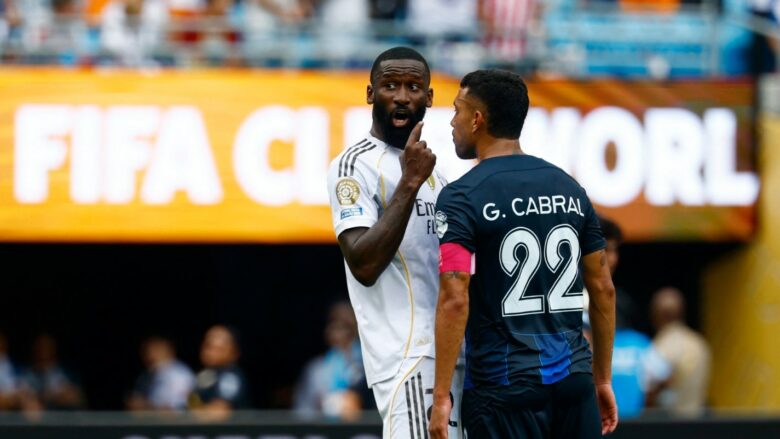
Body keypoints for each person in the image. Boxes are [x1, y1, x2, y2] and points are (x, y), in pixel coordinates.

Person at [429, 69, 618, 439]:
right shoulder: (570, 188)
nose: (452, 121)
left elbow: (455, 296)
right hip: (574, 383)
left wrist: (440, 398)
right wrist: (602, 379)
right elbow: (603, 287)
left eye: (456, 110)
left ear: (477, 119)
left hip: (502, 388)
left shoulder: (461, 197)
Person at [326, 46, 463, 438]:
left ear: (429, 98)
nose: (402, 96)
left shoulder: (438, 173)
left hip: (452, 355)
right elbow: (363, 264)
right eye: (390, 85)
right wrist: (409, 182)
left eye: (413, 87)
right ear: (370, 93)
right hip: (409, 356)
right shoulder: (354, 165)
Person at [293, 301, 368, 420]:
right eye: (335, 325)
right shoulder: (315, 370)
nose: (341, 332)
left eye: (346, 326)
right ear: (327, 330)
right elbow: (302, 412)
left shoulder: (368, 366)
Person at [648, 287, 711, 416]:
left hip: (668, 423)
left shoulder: (661, 346)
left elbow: (652, 389)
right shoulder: (699, 343)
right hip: (696, 421)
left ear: (657, 315)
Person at [189, 325, 250, 414]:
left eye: (219, 349)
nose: (211, 353)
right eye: (208, 346)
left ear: (234, 352)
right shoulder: (205, 373)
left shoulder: (230, 377)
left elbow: (219, 412)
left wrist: (187, 416)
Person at [18, 334, 84, 412]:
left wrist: (54, 397)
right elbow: (21, 396)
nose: (43, 352)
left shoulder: (65, 374)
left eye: (47, 348)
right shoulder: (25, 374)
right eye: (40, 348)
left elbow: (77, 398)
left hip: (60, 415)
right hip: (35, 416)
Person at [127, 336, 194, 411]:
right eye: (147, 351)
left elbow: (175, 408)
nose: (151, 355)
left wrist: (146, 406)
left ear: (168, 351)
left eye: (156, 350)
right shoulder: (145, 376)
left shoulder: (180, 375)